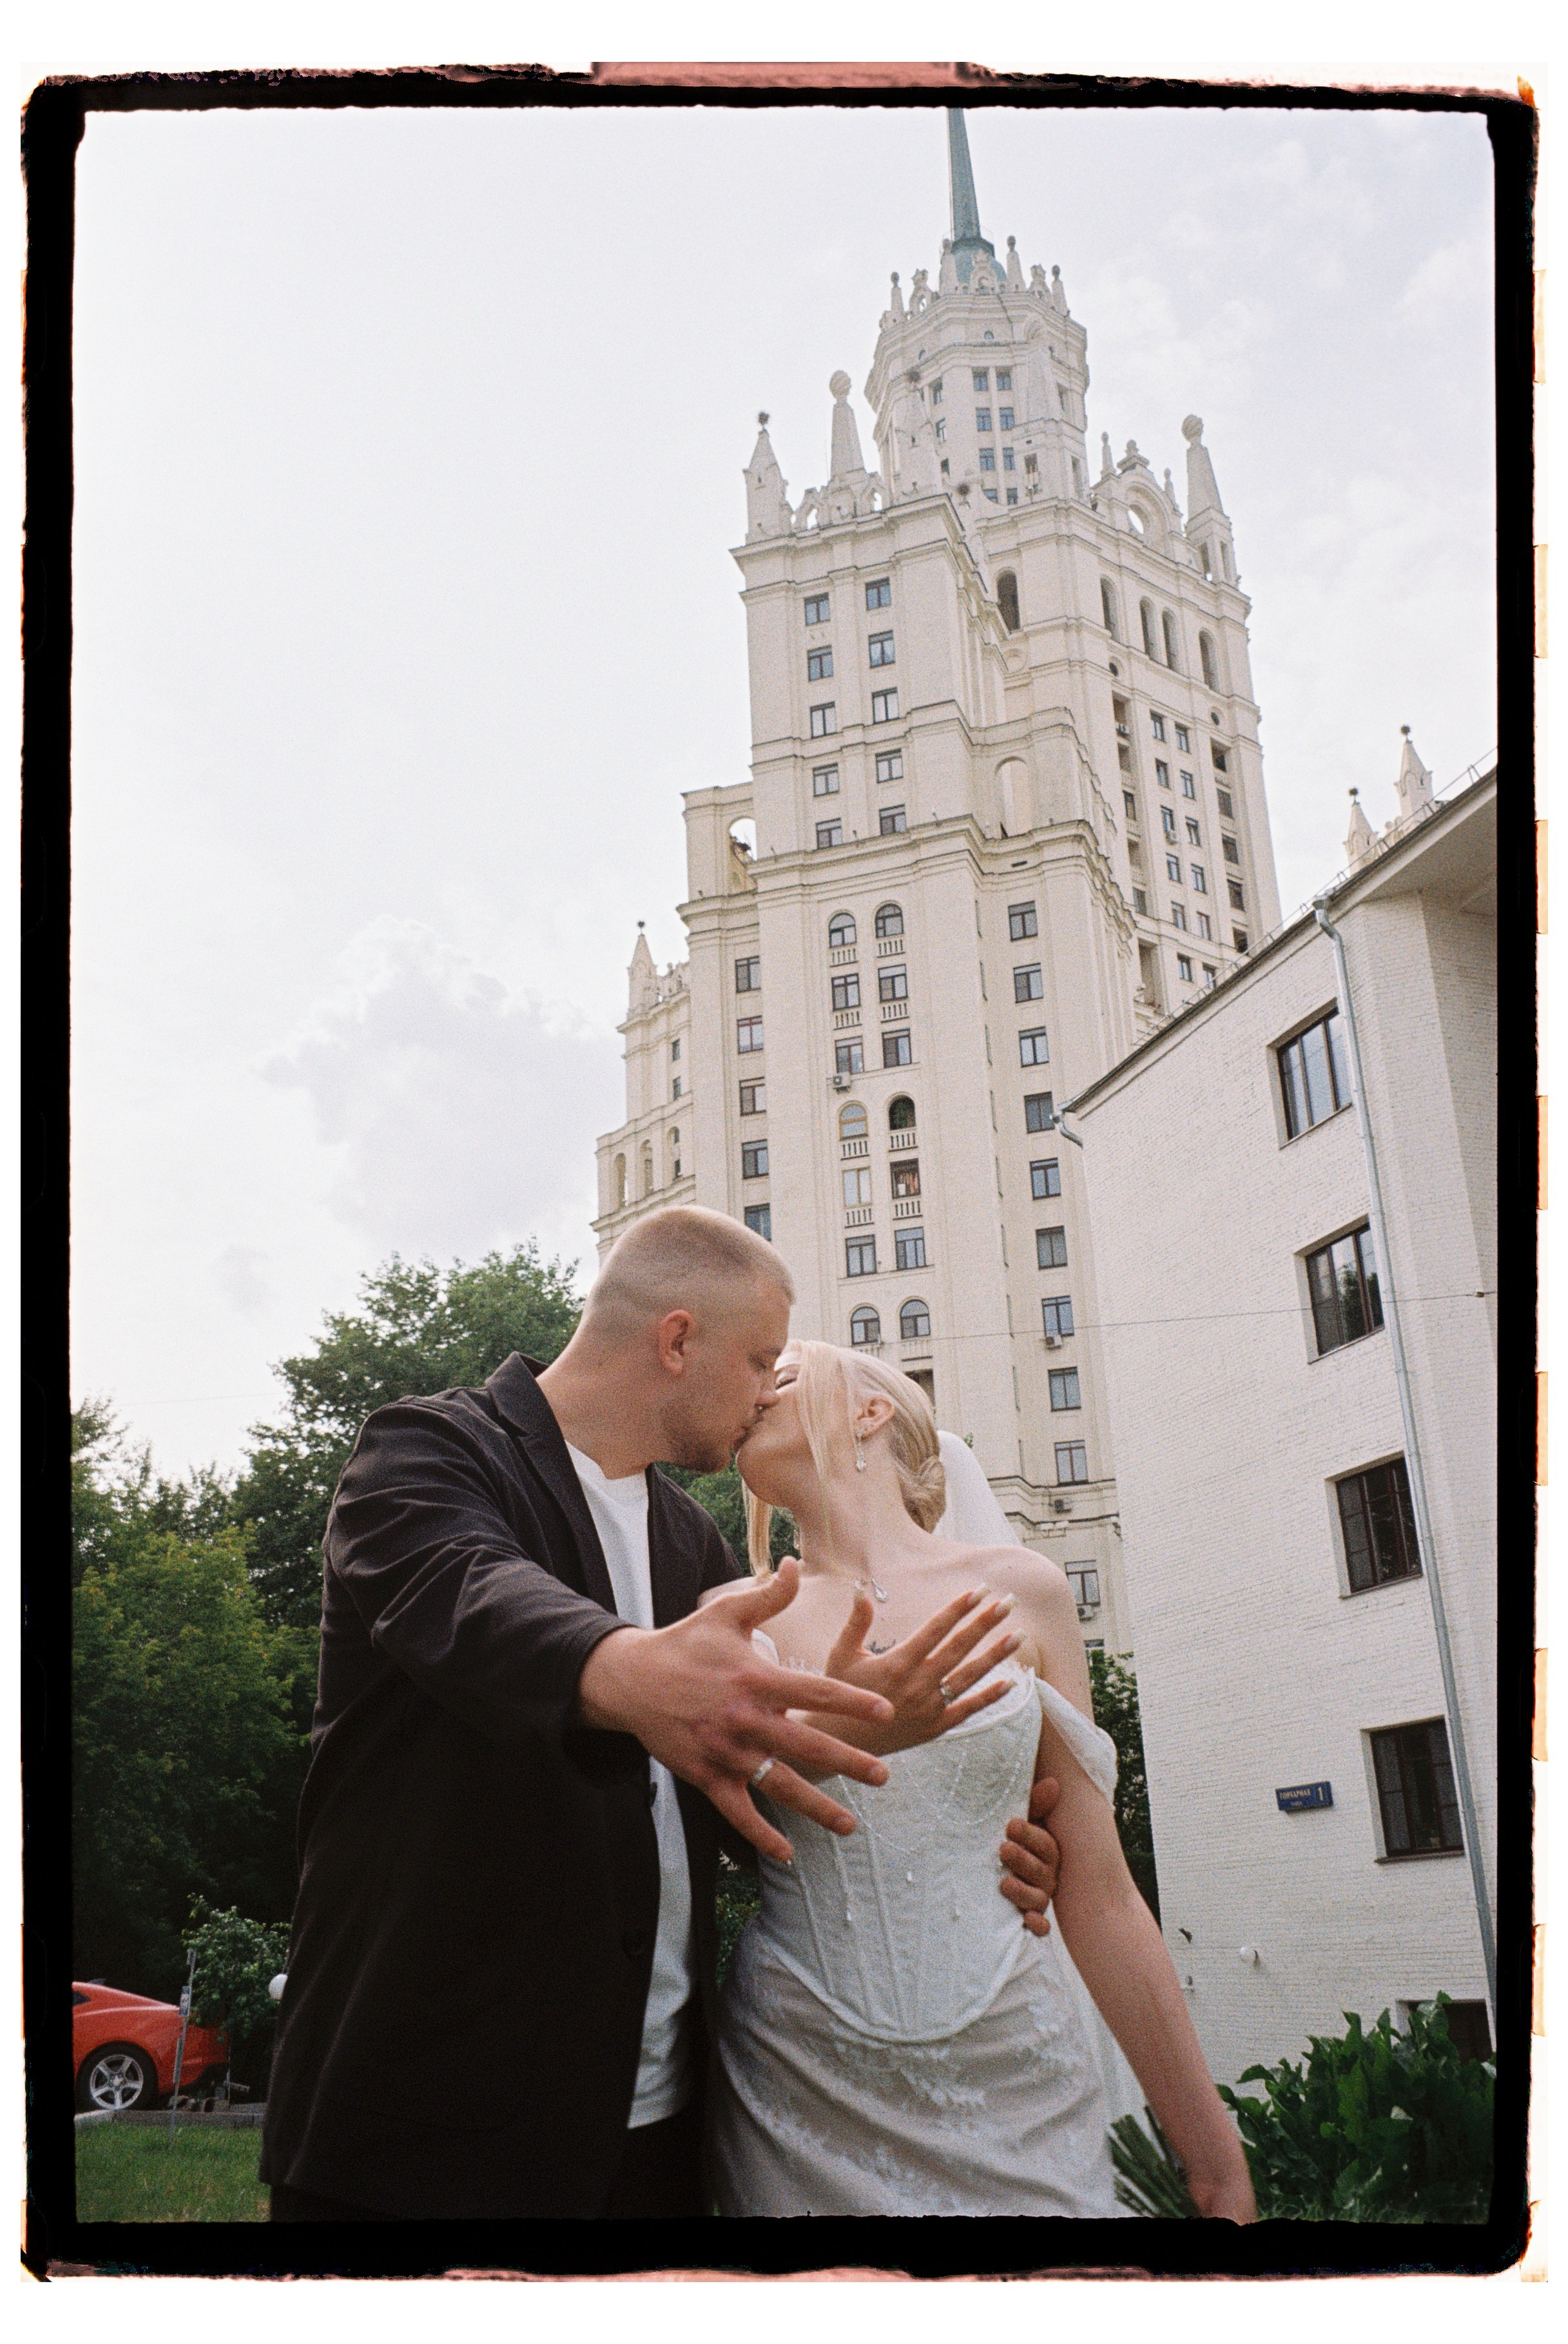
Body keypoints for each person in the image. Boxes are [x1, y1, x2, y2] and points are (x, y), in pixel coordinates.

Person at [260, 1206, 1064, 2222]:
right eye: (760, 1358)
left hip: (661, 2133)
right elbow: (472, 1597)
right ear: (677, 1340)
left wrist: (986, 1837)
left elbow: (739, 1782)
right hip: (422, 2136)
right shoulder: (425, 1453)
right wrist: (633, 1668)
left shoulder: (696, 1546)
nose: (770, 1389)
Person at [711, 1341, 1257, 2220]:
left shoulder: (1024, 1592)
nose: (754, 1393)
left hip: (1019, 2059)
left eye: (782, 1375)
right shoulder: (729, 1616)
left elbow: (1101, 1890)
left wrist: (1214, 2161)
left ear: (870, 1410)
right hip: (800, 2074)